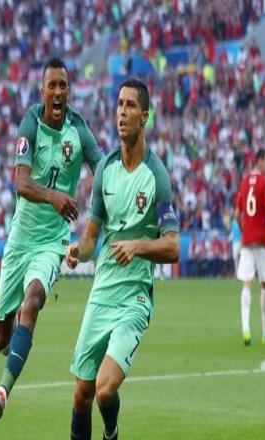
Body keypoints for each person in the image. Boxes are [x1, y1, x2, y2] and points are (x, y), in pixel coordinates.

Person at [0, 57, 102, 425]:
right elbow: (20, 182)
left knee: (33, 301)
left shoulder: (78, 129)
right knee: (0, 339)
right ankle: (15, 336)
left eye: (63, 85)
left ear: (69, 91)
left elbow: (102, 170)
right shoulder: (30, 123)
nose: (58, 91)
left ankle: (2, 392)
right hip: (20, 239)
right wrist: (53, 197)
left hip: (52, 242)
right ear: (42, 91)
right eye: (52, 85)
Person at [66, 78, 179, 440]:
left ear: (144, 116)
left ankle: (111, 431)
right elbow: (91, 238)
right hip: (102, 293)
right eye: (119, 104)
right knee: (81, 395)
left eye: (130, 106)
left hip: (134, 299)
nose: (122, 112)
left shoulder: (156, 176)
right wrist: (78, 251)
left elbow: (173, 246)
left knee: (104, 389)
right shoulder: (105, 170)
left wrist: (138, 246)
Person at [234, 149, 265, 347]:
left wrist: (244, 230)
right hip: (262, 239)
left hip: (247, 240)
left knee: (246, 283)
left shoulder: (244, 182)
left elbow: (237, 214)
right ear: (259, 161)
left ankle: (246, 330)